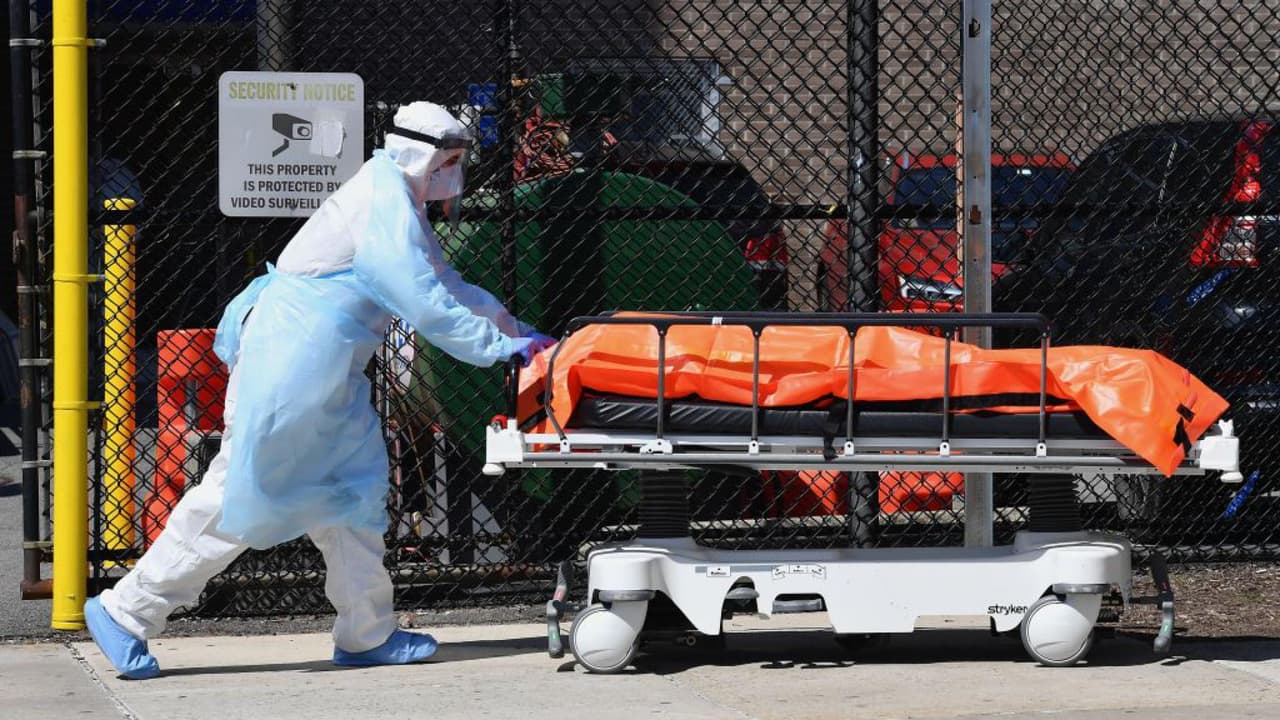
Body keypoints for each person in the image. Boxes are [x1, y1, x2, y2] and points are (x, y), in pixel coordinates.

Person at [83, 101, 555, 679]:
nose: (454, 173)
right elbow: (422, 297)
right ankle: (126, 610)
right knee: (241, 490)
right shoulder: (382, 199)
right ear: (422, 156)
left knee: (352, 493)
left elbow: (444, 282)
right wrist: (500, 345)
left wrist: (517, 333)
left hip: (324, 369)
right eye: (449, 161)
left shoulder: (394, 197)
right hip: (294, 364)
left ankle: (367, 632)